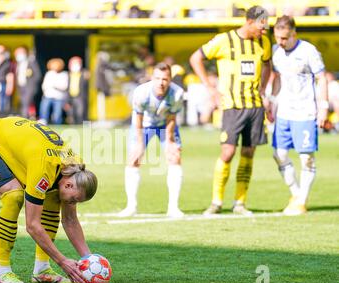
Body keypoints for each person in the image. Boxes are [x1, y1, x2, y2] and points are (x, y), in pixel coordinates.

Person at [0, 116, 97, 283]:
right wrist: (62, 262)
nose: (71, 204)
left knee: (54, 196)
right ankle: (2, 272)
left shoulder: (75, 167)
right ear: (69, 184)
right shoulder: (44, 168)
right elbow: (32, 225)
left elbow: (70, 220)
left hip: (16, 142)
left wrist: (89, 260)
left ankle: (42, 270)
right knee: (14, 196)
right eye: (73, 200)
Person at [189, 6, 272, 216]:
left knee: (248, 152)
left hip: (255, 106)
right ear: (250, 22)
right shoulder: (224, 41)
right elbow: (195, 58)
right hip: (232, 106)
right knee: (227, 152)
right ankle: (216, 201)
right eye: (261, 27)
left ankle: (240, 203)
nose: (264, 31)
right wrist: (210, 88)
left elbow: (267, 64)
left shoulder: (263, 42)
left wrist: (263, 89)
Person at [268, 16, 329, 215]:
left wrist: (323, 107)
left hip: (305, 112)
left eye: (284, 38)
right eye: (277, 37)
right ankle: (296, 193)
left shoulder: (308, 51)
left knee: (306, 158)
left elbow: (321, 78)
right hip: (284, 111)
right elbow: (277, 78)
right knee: (279, 154)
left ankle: (302, 200)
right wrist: (272, 102)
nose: (280, 42)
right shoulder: (276, 52)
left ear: (294, 34)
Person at [118, 62, 185, 218]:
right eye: (158, 78)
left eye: (165, 79)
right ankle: (131, 206)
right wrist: (140, 144)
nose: (161, 82)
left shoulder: (177, 93)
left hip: (165, 124)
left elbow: (172, 118)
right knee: (133, 159)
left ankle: (173, 207)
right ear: (152, 78)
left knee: (174, 157)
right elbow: (138, 119)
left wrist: (169, 141)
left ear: (170, 79)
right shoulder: (141, 92)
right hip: (143, 125)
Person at [39, 58, 68, 125]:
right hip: (47, 96)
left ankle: (57, 124)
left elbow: (64, 86)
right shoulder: (49, 74)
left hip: (58, 97)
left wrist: (55, 85)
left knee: (57, 113)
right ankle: (43, 123)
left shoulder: (64, 74)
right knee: (44, 111)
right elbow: (44, 85)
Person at [14, 46, 41, 119]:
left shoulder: (31, 62)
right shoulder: (18, 64)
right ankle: (30, 117)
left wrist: (33, 86)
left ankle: (24, 118)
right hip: (21, 86)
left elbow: (38, 75)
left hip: (29, 87)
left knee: (26, 103)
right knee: (25, 103)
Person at [67, 56, 89, 124]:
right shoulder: (69, 74)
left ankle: (82, 125)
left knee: (81, 113)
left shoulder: (84, 74)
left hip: (80, 96)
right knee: (72, 113)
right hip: (71, 97)